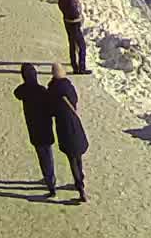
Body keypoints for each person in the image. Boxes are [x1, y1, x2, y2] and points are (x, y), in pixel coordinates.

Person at [15, 64, 59, 197]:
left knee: (42, 157)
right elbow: (51, 109)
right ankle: (50, 180)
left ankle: (49, 181)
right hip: (45, 128)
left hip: (34, 130)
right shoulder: (42, 91)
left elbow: (16, 93)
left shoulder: (23, 90)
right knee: (48, 156)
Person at [48, 64, 88, 201]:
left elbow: (51, 109)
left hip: (63, 126)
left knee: (71, 158)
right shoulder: (69, 86)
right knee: (78, 155)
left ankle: (80, 186)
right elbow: (75, 100)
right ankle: (81, 177)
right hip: (74, 122)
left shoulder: (52, 88)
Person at [56, 0, 89, 75]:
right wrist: (79, 16)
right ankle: (81, 68)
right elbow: (73, 12)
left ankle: (75, 66)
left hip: (67, 22)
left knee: (72, 44)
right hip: (73, 23)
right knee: (81, 46)